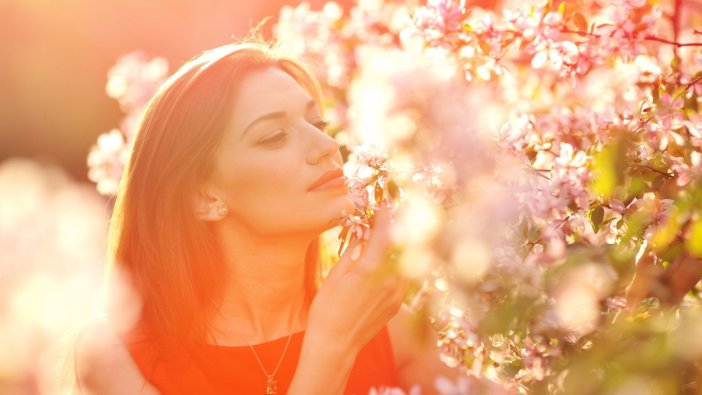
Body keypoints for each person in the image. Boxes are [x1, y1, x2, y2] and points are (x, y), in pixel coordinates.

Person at [73, 39, 464, 395]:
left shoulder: (390, 328)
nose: (327, 146)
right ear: (205, 196)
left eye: (317, 124)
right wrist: (331, 346)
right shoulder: (119, 356)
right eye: (274, 136)